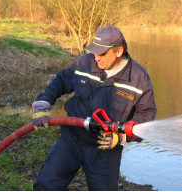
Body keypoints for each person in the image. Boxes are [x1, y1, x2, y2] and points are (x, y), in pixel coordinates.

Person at [32, 25, 157, 191]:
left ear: (119, 51)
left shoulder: (138, 77)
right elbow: (62, 80)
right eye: (95, 51)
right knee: (45, 186)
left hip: (105, 148)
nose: (97, 58)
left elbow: (146, 114)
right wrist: (43, 103)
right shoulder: (85, 62)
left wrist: (121, 137)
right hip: (71, 139)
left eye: (103, 53)